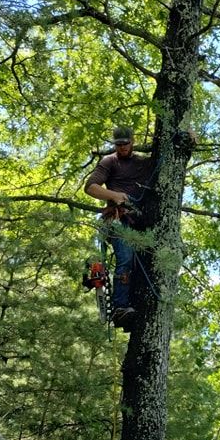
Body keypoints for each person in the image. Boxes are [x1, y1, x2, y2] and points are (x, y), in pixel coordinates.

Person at [84, 126, 154, 328]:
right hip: (117, 219)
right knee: (125, 258)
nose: (122, 147)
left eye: (126, 143)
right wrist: (114, 196)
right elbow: (90, 187)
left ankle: (130, 308)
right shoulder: (109, 162)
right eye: (118, 144)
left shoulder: (143, 162)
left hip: (141, 224)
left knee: (140, 266)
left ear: (133, 141)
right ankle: (120, 307)